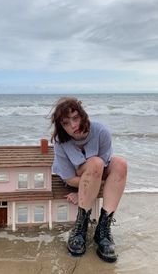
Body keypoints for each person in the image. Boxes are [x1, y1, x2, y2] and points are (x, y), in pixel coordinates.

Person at [50, 97, 127, 263]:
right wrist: (84, 188)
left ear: (83, 115)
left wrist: (88, 189)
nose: (73, 126)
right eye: (65, 123)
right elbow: (70, 178)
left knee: (120, 163)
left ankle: (103, 229)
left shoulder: (101, 132)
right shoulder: (61, 142)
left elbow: (103, 169)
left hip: (96, 175)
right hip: (73, 180)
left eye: (75, 118)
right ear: (61, 126)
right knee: (95, 162)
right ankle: (80, 228)